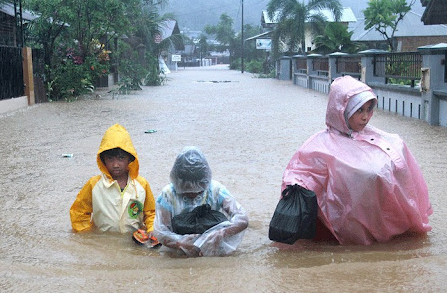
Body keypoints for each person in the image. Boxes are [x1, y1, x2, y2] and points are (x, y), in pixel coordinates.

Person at [281, 75, 432, 245]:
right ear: (342, 110)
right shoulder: (319, 145)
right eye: (359, 110)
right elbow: (301, 172)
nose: (365, 117)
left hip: (380, 215)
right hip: (346, 222)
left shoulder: (388, 140)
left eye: (369, 109)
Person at [154, 147, 249, 257]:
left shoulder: (216, 190)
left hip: (214, 249)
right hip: (179, 253)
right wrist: (180, 243)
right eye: (186, 191)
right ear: (178, 182)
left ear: (205, 182)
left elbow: (242, 218)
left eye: (199, 191)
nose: (193, 194)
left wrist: (221, 233)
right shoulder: (168, 194)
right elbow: (161, 232)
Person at [70, 124, 156, 237]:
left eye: (121, 158)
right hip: (103, 242)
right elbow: (79, 213)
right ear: (103, 160)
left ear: (130, 158)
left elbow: (151, 213)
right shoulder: (94, 185)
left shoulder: (141, 185)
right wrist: (88, 237)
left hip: (133, 240)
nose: (115, 165)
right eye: (110, 158)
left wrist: (151, 231)